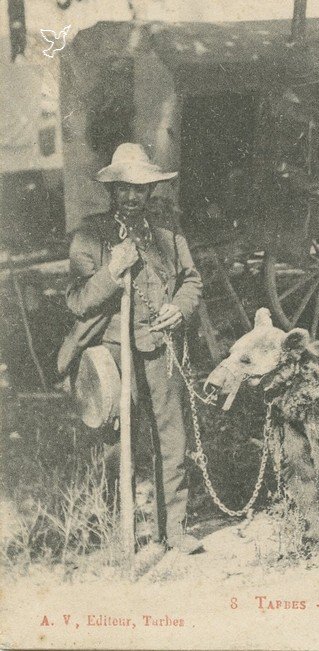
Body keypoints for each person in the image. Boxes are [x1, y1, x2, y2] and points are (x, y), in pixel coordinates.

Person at [56, 143, 204, 554]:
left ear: (151, 190)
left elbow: (192, 280)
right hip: (114, 349)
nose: (133, 196)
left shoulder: (168, 231)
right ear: (113, 190)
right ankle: (119, 529)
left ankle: (172, 529)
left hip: (161, 346)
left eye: (141, 188)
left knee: (170, 437)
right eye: (125, 188)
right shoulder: (91, 233)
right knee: (117, 440)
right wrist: (111, 270)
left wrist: (180, 308)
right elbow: (78, 300)